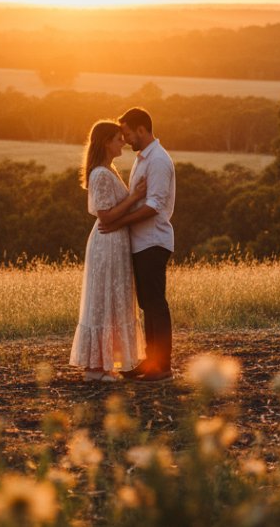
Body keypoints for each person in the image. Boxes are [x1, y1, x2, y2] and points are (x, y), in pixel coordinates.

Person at [68, 120, 147, 381]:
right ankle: (95, 368)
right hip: (107, 242)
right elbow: (104, 217)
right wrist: (135, 198)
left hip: (116, 242)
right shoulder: (101, 174)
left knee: (112, 299)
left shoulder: (108, 169)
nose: (123, 141)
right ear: (105, 143)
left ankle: (103, 363)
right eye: (117, 138)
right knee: (103, 299)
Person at [101, 107, 175, 382]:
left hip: (154, 240)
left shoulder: (157, 160)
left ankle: (163, 366)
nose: (126, 138)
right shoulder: (143, 159)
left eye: (128, 133)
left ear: (141, 129)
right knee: (147, 303)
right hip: (141, 241)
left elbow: (154, 205)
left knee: (155, 303)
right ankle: (151, 361)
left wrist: (119, 223)